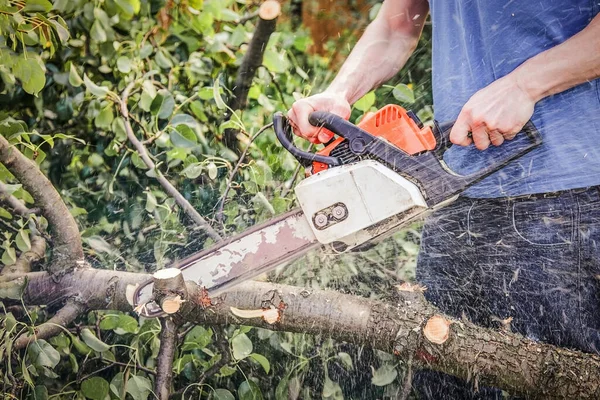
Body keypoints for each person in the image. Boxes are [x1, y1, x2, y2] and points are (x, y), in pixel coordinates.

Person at [288, 0, 600, 398]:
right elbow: (397, 25)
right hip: (455, 194)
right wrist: (340, 93)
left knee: (556, 381)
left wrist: (525, 84)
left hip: (566, 195)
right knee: (442, 373)